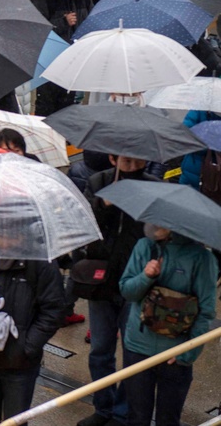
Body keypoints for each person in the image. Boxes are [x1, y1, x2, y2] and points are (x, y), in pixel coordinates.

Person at [69, 155, 159, 426]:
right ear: (113, 158)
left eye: (137, 161)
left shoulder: (152, 186)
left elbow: (158, 232)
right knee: (100, 350)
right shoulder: (99, 181)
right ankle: (103, 407)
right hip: (102, 280)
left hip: (137, 282)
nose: (131, 166)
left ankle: (122, 413)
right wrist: (103, 204)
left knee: (133, 353)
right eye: (126, 161)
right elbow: (83, 222)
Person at [118, 224, 217, 426]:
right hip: (138, 348)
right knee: (136, 417)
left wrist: (187, 354)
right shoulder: (145, 247)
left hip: (176, 355)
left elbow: (205, 312)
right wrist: (146, 276)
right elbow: (127, 291)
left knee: (168, 419)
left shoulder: (202, 259)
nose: (153, 224)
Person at [0, 238, 65, 426]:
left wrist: (26, 347)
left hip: (19, 365)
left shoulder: (40, 262)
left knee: (15, 422)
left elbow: (54, 310)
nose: (2, 237)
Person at [32, 0, 92, 116]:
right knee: (47, 107)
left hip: (75, 58)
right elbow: (38, 30)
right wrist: (63, 22)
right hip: (50, 62)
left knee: (69, 108)